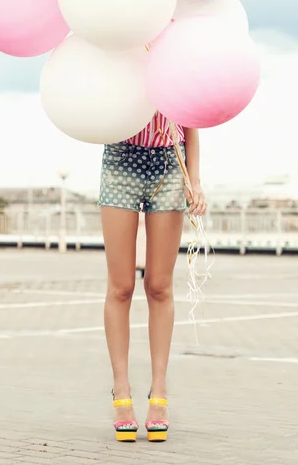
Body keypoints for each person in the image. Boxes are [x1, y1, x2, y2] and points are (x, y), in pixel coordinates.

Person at [98, 111, 207, 442]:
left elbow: (190, 116)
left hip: (170, 162)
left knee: (159, 286)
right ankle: (121, 391)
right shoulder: (119, 55)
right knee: (121, 287)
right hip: (121, 160)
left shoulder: (176, 57)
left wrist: (195, 179)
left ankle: (159, 390)